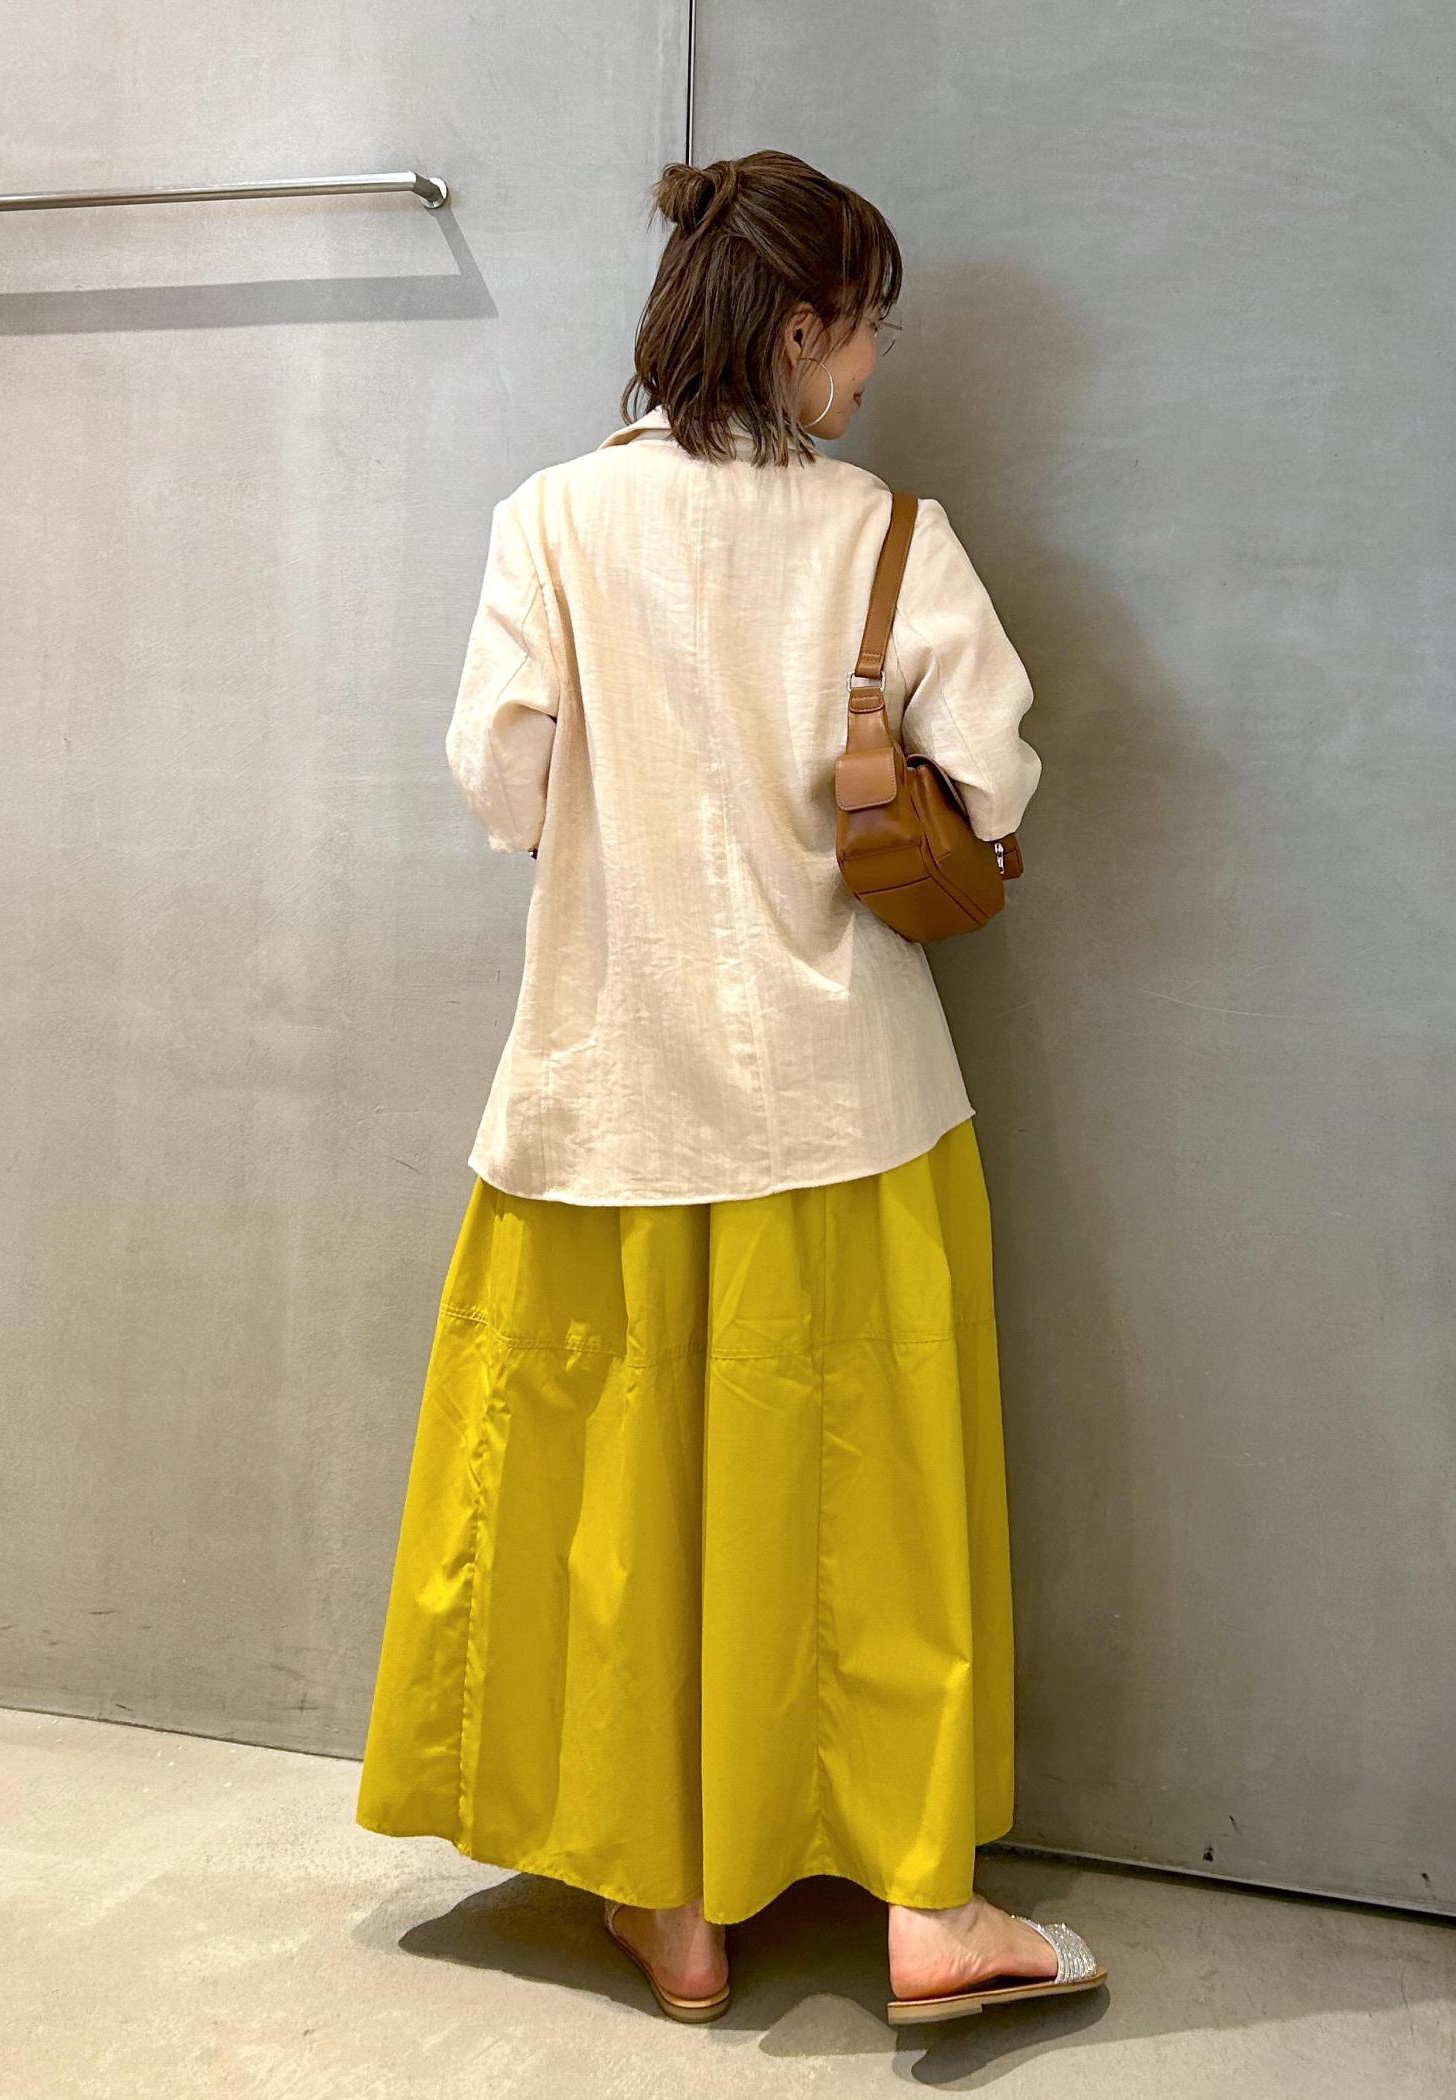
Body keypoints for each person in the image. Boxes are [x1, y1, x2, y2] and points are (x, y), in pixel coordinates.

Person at [355, 149, 1106, 2026]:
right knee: (871, 1513)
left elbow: (503, 784)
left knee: (626, 1513)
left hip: (608, 1097)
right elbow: (994, 775)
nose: (874, 365)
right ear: (798, 328)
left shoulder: (552, 520)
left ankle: (671, 1904)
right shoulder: (888, 537)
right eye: (867, 329)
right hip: (849, 1105)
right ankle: (926, 1912)